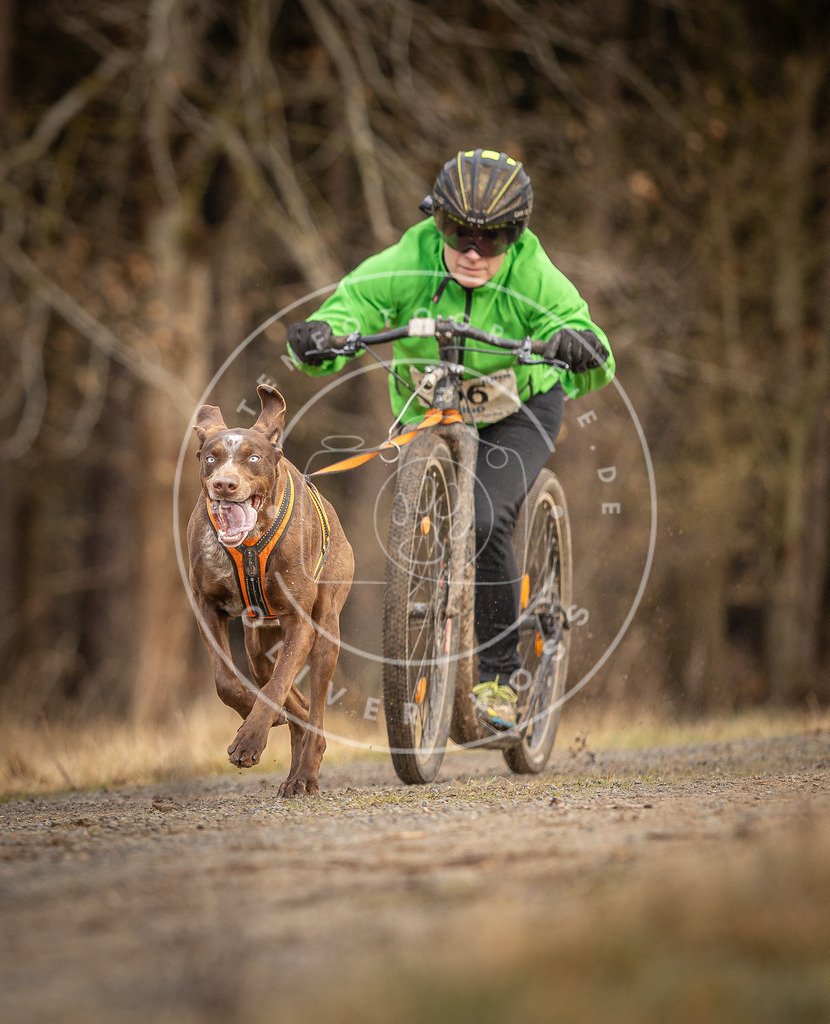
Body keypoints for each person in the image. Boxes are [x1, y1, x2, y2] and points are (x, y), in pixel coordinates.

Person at [286, 148, 614, 730]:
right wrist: (322, 335)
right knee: (434, 515)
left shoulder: (532, 271)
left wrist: (576, 344)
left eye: (490, 240)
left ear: (515, 237)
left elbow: (578, 329)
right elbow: (352, 303)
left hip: (521, 409)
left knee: (487, 520)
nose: (470, 252)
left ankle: (498, 677)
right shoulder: (409, 258)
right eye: (457, 231)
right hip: (433, 405)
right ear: (436, 219)